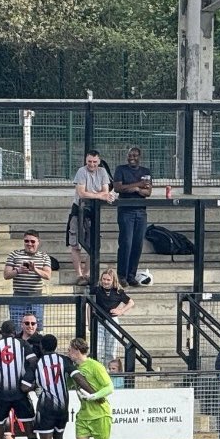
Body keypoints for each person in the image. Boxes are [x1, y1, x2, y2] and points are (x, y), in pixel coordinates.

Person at [67, 336, 121, 439]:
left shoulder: (95, 366)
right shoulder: (74, 369)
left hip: (100, 413)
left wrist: (94, 396)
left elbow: (109, 387)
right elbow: (69, 384)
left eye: (70, 349)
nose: (68, 352)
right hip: (84, 414)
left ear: (77, 351)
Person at [68, 151, 115, 286]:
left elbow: (106, 191)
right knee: (75, 244)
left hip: (93, 212)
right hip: (79, 211)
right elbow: (81, 193)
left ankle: (87, 273)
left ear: (99, 161)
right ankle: (79, 274)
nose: (92, 164)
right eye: (89, 161)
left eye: (94, 162)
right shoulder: (81, 172)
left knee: (93, 244)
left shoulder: (102, 172)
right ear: (86, 161)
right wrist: (99, 195)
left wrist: (95, 194)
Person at [33, 333, 73, 439]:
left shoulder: (37, 363)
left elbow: (25, 385)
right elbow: (76, 376)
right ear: (55, 346)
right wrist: (91, 392)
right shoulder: (64, 360)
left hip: (46, 407)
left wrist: (35, 387)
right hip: (63, 407)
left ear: (42, 347)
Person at [112, 146, 152, 287]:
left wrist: (134, 188)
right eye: (130, 155)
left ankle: (131, 275)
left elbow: (148, 192)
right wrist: (138, 185)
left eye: (135, 155)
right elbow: (118, 188)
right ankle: (121, 275)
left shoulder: (145, 171)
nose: (132, 157)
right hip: (126, 211)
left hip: (141, 211)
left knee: (137, 244)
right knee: (126, 243)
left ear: (139, 157)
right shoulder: (121, 169)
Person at [3, 229, 52, 331]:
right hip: (18, 296)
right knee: (17, 328)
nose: (29, 244)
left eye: (32, 241)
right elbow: (6, 275)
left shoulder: (44, 256)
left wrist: (35, 269)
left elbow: (47, 275)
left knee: (36, 328)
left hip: (36, 297)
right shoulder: (14, 254)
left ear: (38, 242)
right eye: (26, 241)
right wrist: (18, 270)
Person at [91, 268, 134, 366]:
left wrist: (120, 311)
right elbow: (89, 305)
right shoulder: (96, 290)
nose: (105, 282)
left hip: (112, 320)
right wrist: (90, 323)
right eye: (104, 279)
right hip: (98, 319)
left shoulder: (118, 291)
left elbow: (131, 302)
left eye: (108, 280)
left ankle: (110, 370)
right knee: (97, 348)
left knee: (111, 348)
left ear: (113, 280)